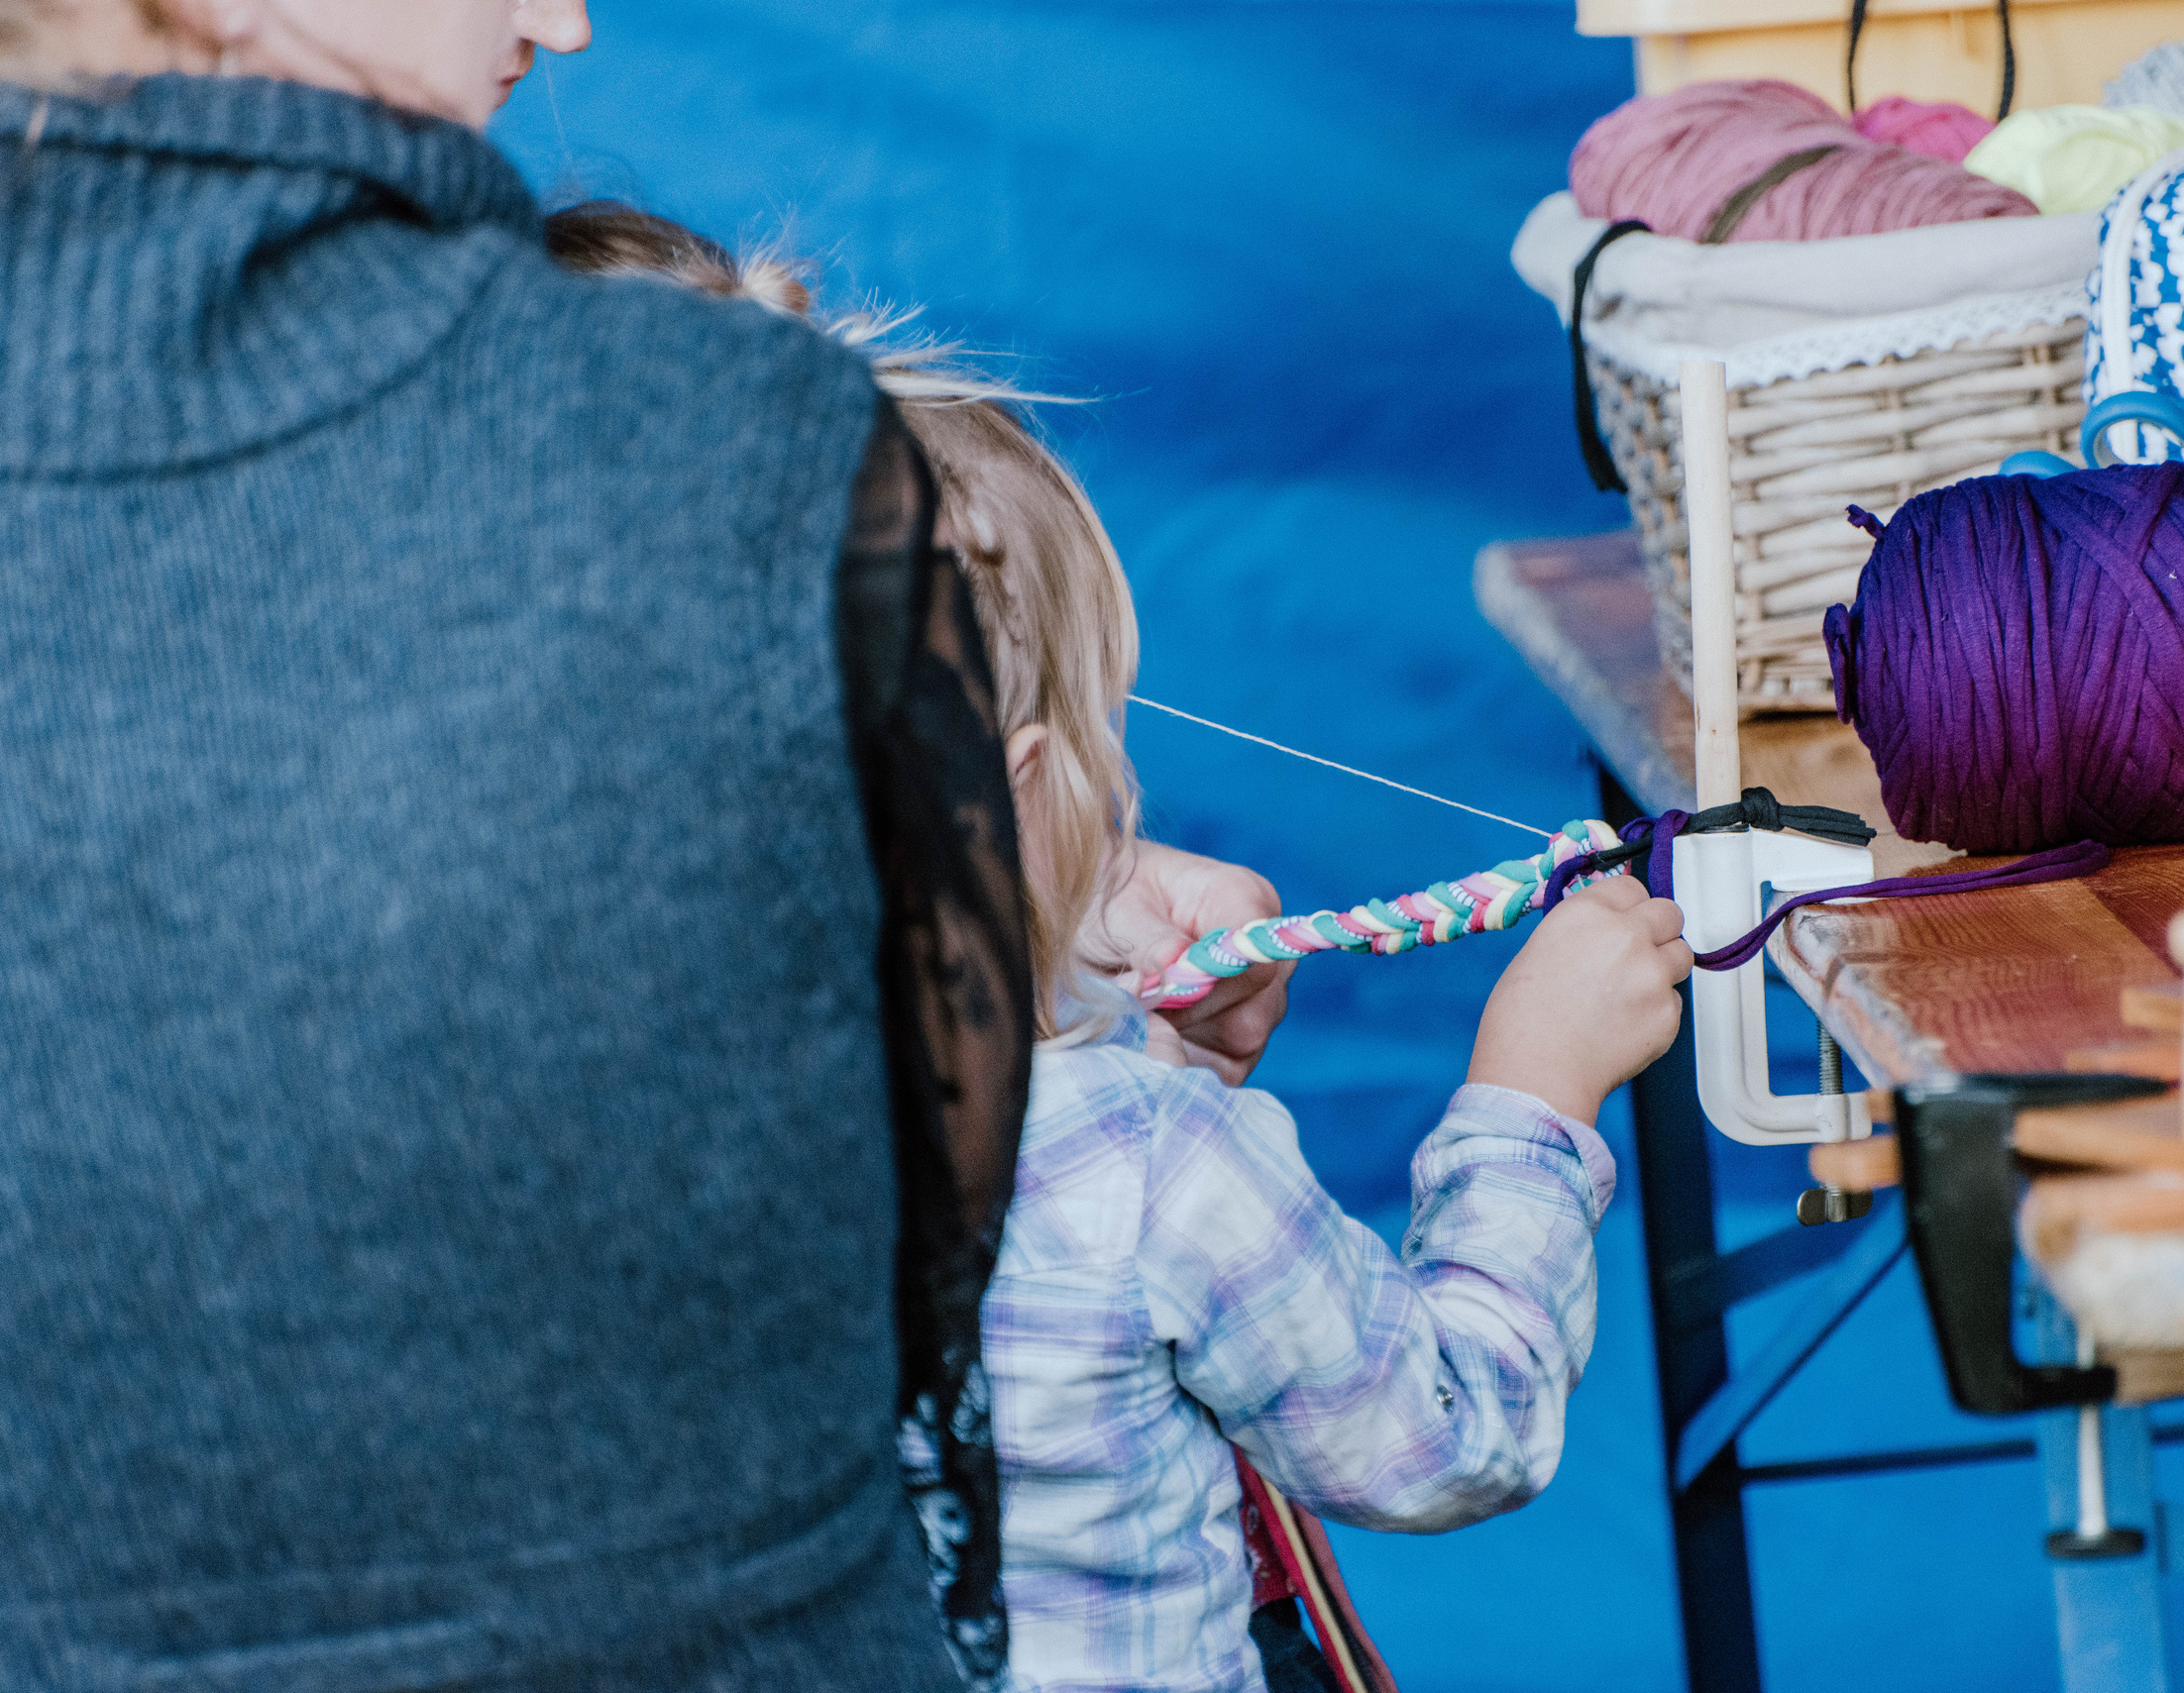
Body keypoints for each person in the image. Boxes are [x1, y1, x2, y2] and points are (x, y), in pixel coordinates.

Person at [0, 7, 1295, 1691]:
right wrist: (1001, 916)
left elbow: (283, 831)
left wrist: (1069, 894)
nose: (565, 15)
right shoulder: (740, 446)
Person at [536, 205, 1693, 1693]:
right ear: (1008, 787)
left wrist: (1074, 928)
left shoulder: (549, 1147)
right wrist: (1534, 1095)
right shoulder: (1133, 1158)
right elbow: (1447, 1432)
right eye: (1097, 754)